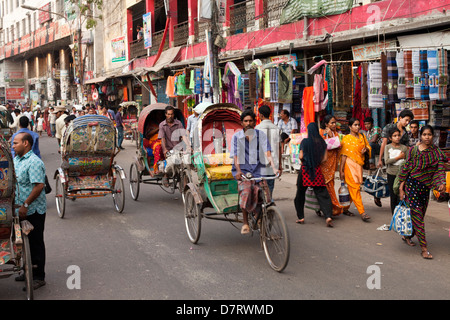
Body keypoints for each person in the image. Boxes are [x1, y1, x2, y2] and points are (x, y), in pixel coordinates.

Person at [398, 125, 447, 259]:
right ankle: (424, 249)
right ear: (421, 136)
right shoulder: (413, 151)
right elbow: (405, 170)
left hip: (425, 188)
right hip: (412, 186)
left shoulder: (436, 152)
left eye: (429, 134)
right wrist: (401, 188)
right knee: (418, 217)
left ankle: (407, 235)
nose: (427, 137)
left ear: (433, 136)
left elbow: (440, 169)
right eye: (424, 134)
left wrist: (441, 183)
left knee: (419, 215)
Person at [230, 109, 279, 234]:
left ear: (254, 122)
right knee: (246, 191)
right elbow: (235, 156)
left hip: (258, 171)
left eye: (251, 121)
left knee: (267, 197)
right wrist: (239, 171)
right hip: (243, 171)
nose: (248, 123)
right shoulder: (236, 137)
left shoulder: (261, 135)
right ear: (242, 123)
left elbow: (267, 152)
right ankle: (245, 222)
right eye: (246, 121)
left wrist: (274, 168)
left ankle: (263, 220)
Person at [12, 132, 47, 290]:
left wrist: (25, 204)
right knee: (22, 243)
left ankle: (39, 277)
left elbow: (39, 186)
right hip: (19, 209)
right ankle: (28, 271)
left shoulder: (34, 161)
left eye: (16, 143)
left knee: (35, 243)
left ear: (26, 144)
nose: (13, 146)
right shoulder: (16, 160)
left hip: (33, 210)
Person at [294, 122, 333, 227]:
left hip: (306, 170)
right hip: (317, 170)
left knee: (300, 194)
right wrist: (316, 161)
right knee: (323, 194)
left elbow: (301, 156)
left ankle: (301, 217)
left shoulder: (305, 141)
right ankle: (328, 216)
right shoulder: (322, 142)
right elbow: (325, 158)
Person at [339, 118, 372, 222]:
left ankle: (344, 208)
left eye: (358, 125)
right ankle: (362, 212)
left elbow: (368, 148)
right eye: (355, 125)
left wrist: (366, 150)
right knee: (355, 188)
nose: (358, 127)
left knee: (352, 189)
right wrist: (341, 170)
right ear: (350, 127)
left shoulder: (362, 136)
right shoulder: (346, 139)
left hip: (359, 164)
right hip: (349, 165)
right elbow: (344, 155)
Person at [319, 115, 344, 216]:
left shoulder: (335, 134)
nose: (334, 125)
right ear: (326, 124)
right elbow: (320, 146)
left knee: (331, 184)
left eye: (335, 122)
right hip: (324, 163)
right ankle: (329, 207)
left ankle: (330, 208)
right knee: (325, 186)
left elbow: (338, 146)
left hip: (332, 163)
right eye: (332, 123)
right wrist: (328, 136)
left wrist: (332, 136)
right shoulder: (321, 133)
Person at [255, 105, 282, 197]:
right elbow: (279, 147)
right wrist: (280, 165)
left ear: (261, 115)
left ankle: (264, 205)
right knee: (270, 186)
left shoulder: (257, 128)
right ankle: (269, 204)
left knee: (261, 186)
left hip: (261, 162)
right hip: (274, 162)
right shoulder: (276, 128)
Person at [158, 106, 188, 187]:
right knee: (171, 164)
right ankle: (166, 175)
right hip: (169, 149)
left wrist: (188, 146)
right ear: (165, 115)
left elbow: (184, 136)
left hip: (178, 148)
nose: (170, 116)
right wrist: (164, 149)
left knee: (187, 163)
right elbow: (162, 139)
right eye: (168, 114)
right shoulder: (162, 125)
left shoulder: (179, 123)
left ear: (173, 114)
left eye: (171, 114)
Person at [384, 127, 408, 214]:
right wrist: (399, 157)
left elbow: (407, 162)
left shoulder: (404, 148)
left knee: (401, 195)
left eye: (398, 135)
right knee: (393, 196)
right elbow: (386, 161)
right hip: (391, 174)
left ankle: (401, 215)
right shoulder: (387, 147)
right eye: (395, 136)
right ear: (390, 138)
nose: (397, 137)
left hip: (402, 175)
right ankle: (394, 215)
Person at [364, 116, 383, 207]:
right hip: (373, 149)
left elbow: (374, 140)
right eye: (365, 124)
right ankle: (366, 164)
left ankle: (371, 163)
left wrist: (366, 145)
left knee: (370, 145)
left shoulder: (376, 129)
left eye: (368, 124)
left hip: (380, 148)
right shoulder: (367, 132)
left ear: (372, 124)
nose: (367, 126)